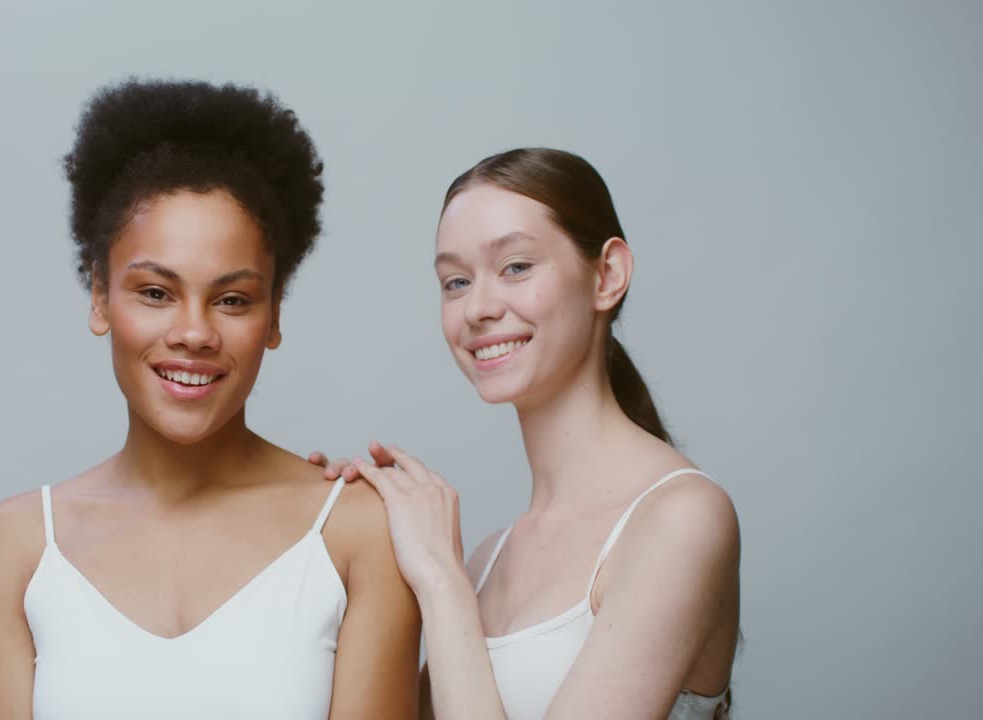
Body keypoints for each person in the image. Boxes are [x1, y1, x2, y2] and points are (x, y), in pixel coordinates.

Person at [0, 78, 421, 719]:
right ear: (99, 296)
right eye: (155, 292)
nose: (194, 333)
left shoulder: (357, 533)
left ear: (274, 315)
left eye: (232, 299)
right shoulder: (18, 546)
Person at [311, 148, 739, 719]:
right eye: (456, 281)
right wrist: (330, 556)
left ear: (607, 275)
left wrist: (440, 581)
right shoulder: (488, 561)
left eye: (516, 266)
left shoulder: (683, 518)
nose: (479, 309)